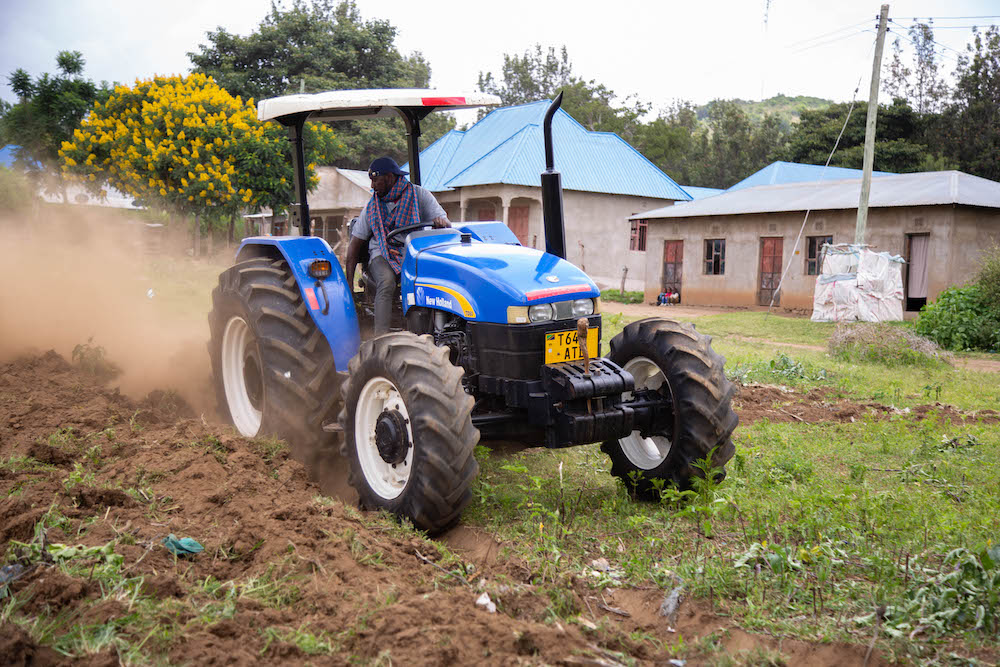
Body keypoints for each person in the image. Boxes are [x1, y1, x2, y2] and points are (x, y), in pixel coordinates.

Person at [344, 157, 451, 335]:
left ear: (389, 177)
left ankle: (432, 331)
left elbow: (445, 221)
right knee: (386, 282)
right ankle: (381, 338)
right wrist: (348, 285)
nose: (372, 186)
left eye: (375, 180)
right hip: (381, 253)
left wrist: (442, 222)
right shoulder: (372, 207)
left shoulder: (419, 195)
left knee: (435, 280)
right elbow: (355, 246)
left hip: (412, 252)